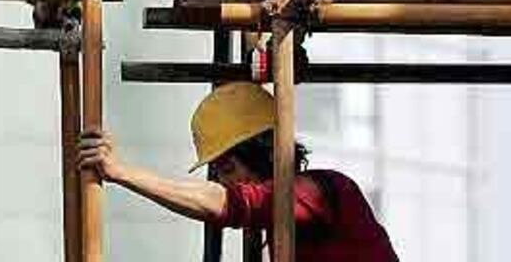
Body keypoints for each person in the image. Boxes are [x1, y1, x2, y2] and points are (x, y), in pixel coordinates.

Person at [79, 83, 398, 261]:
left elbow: (231, 204)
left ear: (265, 151)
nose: (225, 181)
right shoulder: (285, 224)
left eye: (227, 168)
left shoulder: (318, 192)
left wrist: (122, 172)